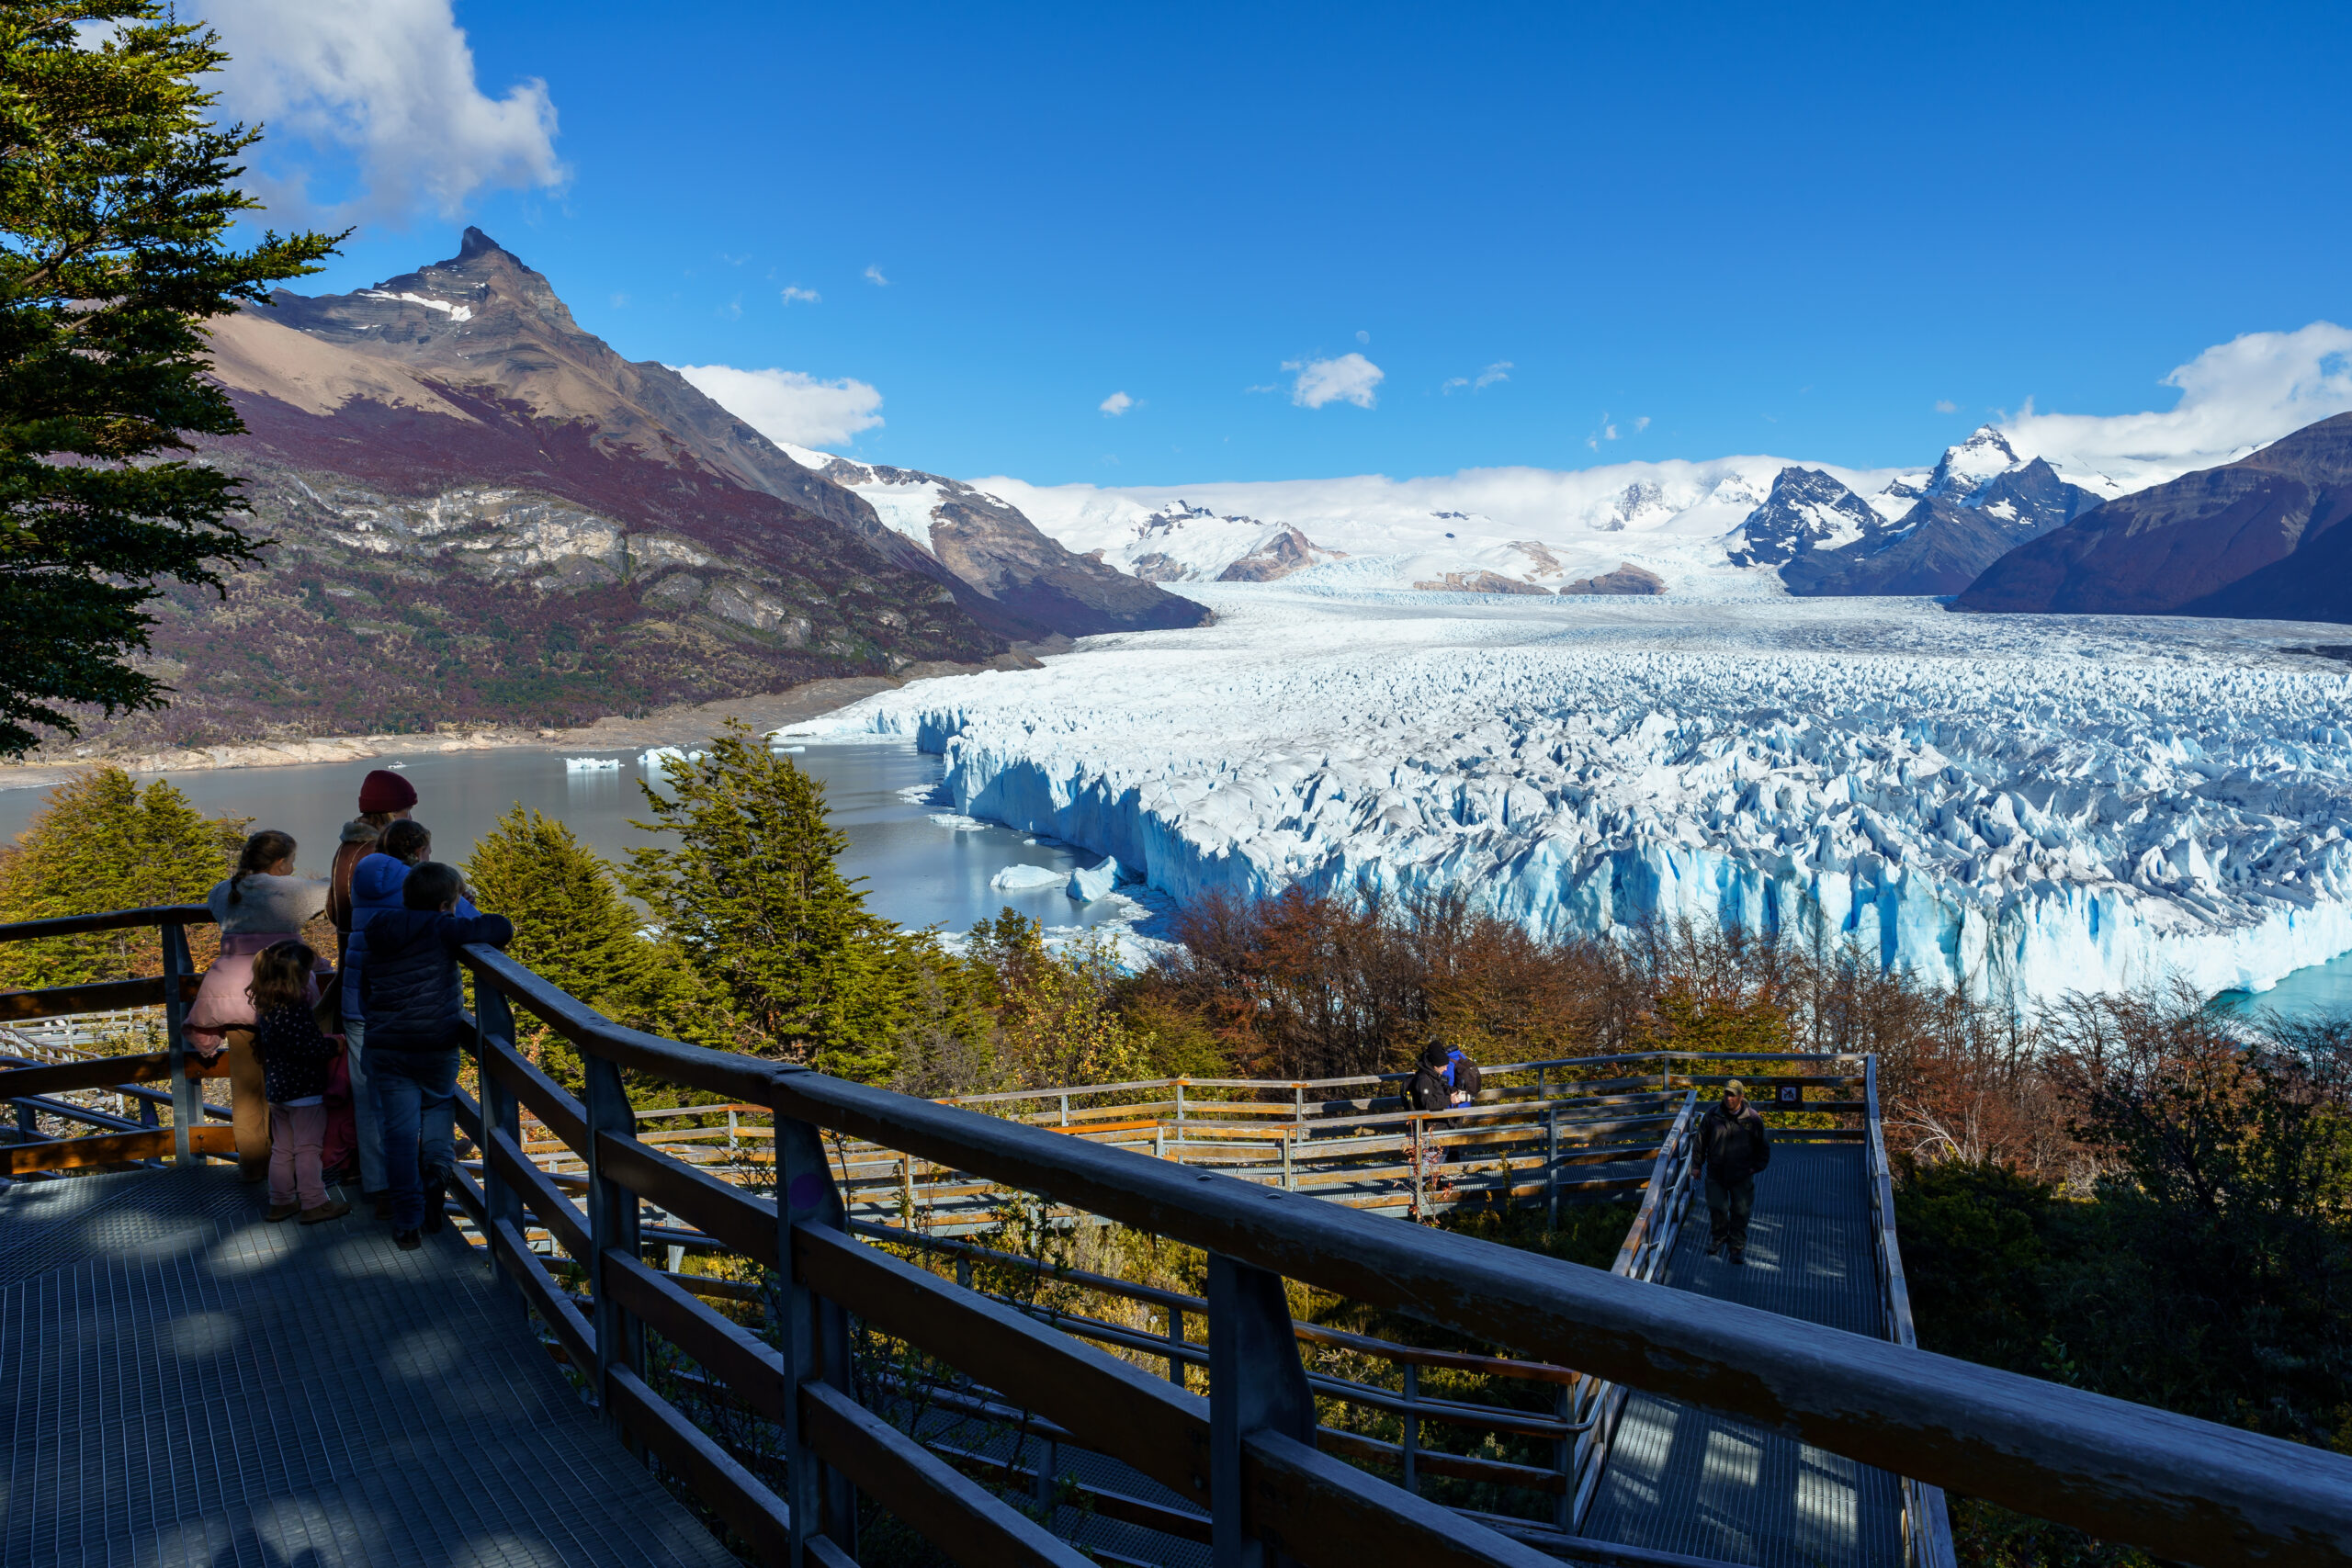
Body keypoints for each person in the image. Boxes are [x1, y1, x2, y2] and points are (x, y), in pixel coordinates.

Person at [357, 861, 512, 1250]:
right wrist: (462, 906)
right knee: (439, 1105)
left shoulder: (378, 928)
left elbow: (364, 990)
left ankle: (407, 1222)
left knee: (399, 1134)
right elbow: (500, 928)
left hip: (386, 1045)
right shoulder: (443, 927)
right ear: (446, 905)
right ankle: (437, 1173)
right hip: (434, 1043)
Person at [186, 830, 331, 1181]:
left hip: (232, 996)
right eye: (291, 861)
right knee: (297, 1084)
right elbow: (334, 890)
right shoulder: (292, 890)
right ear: (279, 863)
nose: (293, 868)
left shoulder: (223, 891)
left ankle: (254, 1168)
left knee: (247, 1091)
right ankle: (299, 1168)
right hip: (284, 993)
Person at [327, 768, 416, 1202]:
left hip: (352, 973)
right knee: (398, 1085)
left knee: (366, 1088)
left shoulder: (345, 849)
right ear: (390, 813)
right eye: (406, 810)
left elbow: (332, 910)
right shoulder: (379, 853)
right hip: (386, 978)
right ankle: (410, 1170)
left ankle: (378, 1179)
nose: (411, 817)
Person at [245, 940, 351, 1224]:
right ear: (299, 976)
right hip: (305, 1093)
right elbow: (309, 1048)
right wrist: (334, 1046)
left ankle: (280, 1201)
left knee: (282, 1148)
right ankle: (314, 1203)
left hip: (278, 1091)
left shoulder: (267, 1007)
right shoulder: (296, 1009)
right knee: (308, 1148)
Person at [1697, 1078, 1772, 1266]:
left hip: (1742, 1173)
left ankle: (1736, 1246)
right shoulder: (1712, 1115)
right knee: (1717, 1208)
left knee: (1741, 1211)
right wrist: (1696, 1165)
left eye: (1732, 1095)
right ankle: (1719, 1237)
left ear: (1741, 1096)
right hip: (1716, 1172)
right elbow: (1700, 1141)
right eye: (1726, 1094)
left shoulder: (1752, 1118)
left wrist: (1756, 1166)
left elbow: (1763, 1145)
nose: (1729, 1098)